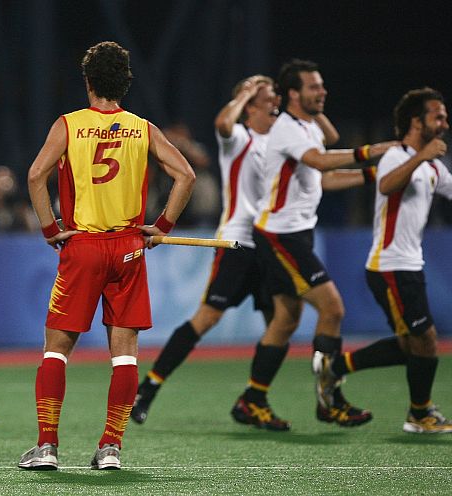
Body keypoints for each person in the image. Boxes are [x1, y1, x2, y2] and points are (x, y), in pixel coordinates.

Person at [17, 41, 195, 471]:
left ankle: (46, 447)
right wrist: (163, 226)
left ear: (88, 82)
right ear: (125, 84)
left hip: (82, 247)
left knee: (57, 348)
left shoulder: (69, 125)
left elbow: (36, 175)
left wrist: (50, 229)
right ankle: (111, 447)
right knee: (126, 352)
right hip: (129, 249)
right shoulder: (143, 127)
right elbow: (185, 175)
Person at [230, 58, 399, 431]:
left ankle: (252, 399)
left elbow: (323, 176)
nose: (322, 91)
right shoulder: (288, 128)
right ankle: (330, 399)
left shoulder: (304, 127)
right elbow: (322, 161)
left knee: (285, 321)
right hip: (280, 235)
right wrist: (371, 152)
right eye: (313, 87)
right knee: (332, 308)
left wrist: (372, 173)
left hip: (293, 233)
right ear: (293, 94)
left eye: (321, 85)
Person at [131, 75, 280, 424]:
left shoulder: (282, 140)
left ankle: (254, 398)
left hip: (271, 245)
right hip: (237, 242)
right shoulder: (240, 137)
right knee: (207, 318)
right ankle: (148, 389)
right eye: (268, 97)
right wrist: (244, 93)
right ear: (251, 106)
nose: (277, 102)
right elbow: (223, 124)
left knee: (280, 323)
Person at [316, 87, 452, 434]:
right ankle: (419, 414)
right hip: (390, 265)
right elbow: (388, 185)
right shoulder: (397, 156)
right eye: (438, 115)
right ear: (416, 121)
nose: (444, 122)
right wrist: (420, 158)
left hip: (408, 265)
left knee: (414, 344)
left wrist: (426, 160)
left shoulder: (433, 167)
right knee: (425, 340)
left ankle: (336, 367)